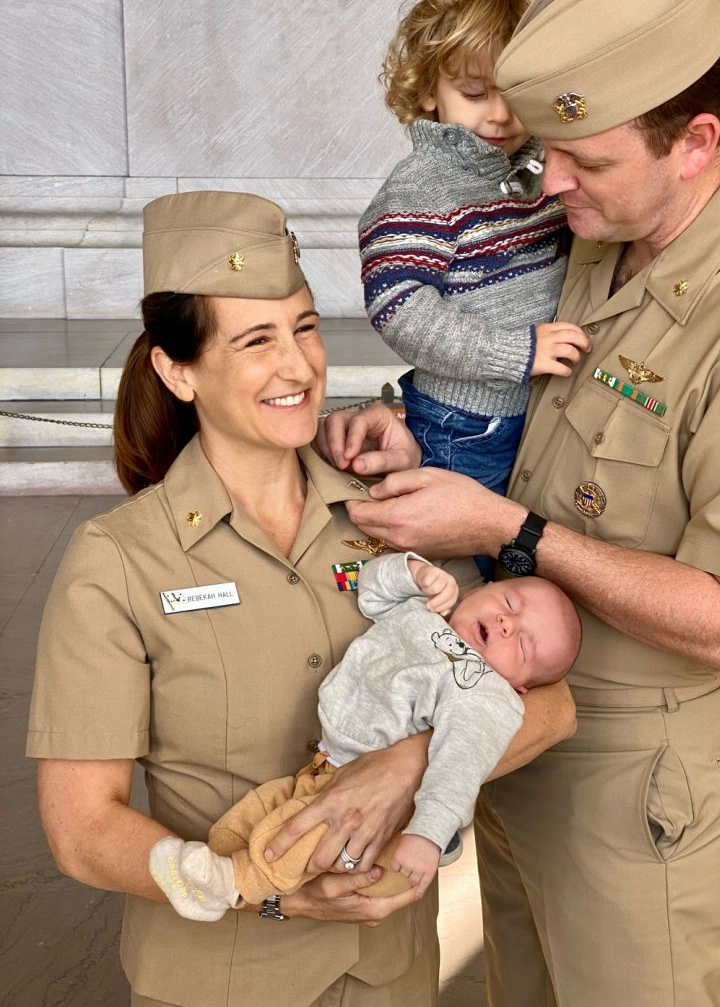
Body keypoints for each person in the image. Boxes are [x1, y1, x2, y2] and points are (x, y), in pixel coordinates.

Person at [293, 0, 720, 1005]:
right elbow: (535, 409)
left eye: (586, 159)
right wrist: (412, 431)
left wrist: (507, 527)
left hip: (637, 789)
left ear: (695, 142)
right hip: (510, 730)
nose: (546, 177)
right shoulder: (597, 222)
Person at [26, 190, 577, 1007]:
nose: (298, 366)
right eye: (256, 340)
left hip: (389, 969)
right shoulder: (117, 563)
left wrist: (406, 765)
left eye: (306, 327)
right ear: (177, 369)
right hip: (220, 981)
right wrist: (259, 885)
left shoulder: (393, 508)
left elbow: (549, 704)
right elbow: (81, 828)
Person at [148, 552, 581, 919]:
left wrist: (428, 834)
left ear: (519, 686)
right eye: (509, 601)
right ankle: (206, 866)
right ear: (483, 588)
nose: (507, 624)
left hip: (359, 796)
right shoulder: (427, 609)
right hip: (321, 764)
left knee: (295, 836)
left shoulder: (483, 692)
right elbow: (370, 587)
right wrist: (416, 572)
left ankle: (232, 886)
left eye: (523, 644)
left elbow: (458, 771)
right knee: (256, 811)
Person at [360, 0, 589, 514]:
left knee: (525, 552)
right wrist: (516, 351)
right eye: (474, 93)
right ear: (427, 91)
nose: (501, 115)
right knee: (465, 552)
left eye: (517, 93)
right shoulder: (419, 191)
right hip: (465, 424)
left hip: (541, 405)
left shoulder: (541, 162)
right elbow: (400, 311)